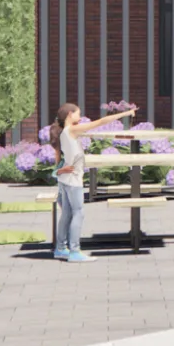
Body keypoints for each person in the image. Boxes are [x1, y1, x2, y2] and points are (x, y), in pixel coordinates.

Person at [50, 101, 137, 262]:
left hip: (65, 180)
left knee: (67, 213)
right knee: (78, 213)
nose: (80, 116)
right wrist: (124, 114)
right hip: (73, 180)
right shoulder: (72, 130)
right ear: (70, 115)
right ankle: (74, 251)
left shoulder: (64, 131)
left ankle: (61, 248)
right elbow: (100, 122)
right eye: (78, 113)